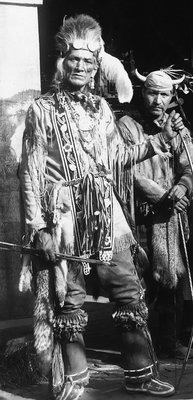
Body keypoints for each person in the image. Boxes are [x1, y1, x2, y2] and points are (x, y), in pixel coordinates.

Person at [18, 15, 177, 399]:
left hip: (106, 211)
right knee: (68, 297)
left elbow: (115, 156)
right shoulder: (41, 110)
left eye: (89, 62)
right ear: (63, 60)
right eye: (75, 60)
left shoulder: (101, 110)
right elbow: (30, 173)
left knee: (128, 288)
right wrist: (38, 227)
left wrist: (152, 145)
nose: (81, 68)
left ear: (96, 66)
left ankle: (140, 374)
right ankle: (74, 380)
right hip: (65, 215)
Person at [118, 68, 193, 359]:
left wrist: (183, 189)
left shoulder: (178, 127)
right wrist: (163, 197)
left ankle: (167, 341)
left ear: (172, 96)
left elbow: (189, 167)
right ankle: (139, 346)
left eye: (164, 94)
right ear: (142, 92)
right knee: (140, 281)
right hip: (139, 217)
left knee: (170, 281)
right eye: (152, 92)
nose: (157, 100)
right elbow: (129, 172)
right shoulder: (127, 125)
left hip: (172, 218)